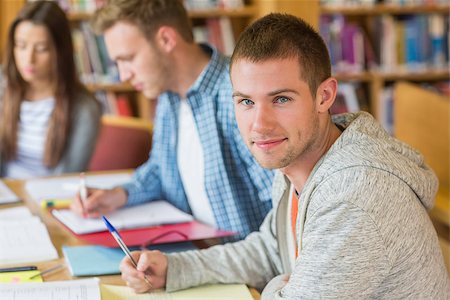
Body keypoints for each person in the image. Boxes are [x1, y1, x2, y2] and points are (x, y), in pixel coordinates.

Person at [119, 13, 450, 299]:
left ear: (325, 96)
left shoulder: (353, 195)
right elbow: (268, 249)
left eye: (281, 99)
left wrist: (278, 287)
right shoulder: (299, 163)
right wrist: (176, 268)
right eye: (246, 102)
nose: (260, 125)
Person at [70, 0, 274, 239]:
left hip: (242, 263)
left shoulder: (239, 95)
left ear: (166, 39)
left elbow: (281, 202)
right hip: (194, 247)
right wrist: (118, 195)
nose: (124, 75)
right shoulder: (168, 96)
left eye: (129, 58)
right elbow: (161, 169)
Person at [0, 1, 101, 179]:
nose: (28, 59)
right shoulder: (3, 88)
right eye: (21, 46)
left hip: (47, 198)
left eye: (41, 49)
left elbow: (65, 178)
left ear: (60, 51)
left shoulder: (85, 109)